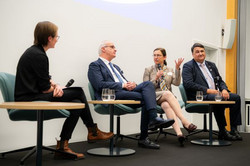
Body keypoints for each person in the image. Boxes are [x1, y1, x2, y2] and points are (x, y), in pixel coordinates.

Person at [15, 21, 114, 160]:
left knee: (75, 103)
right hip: (29, 99)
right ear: (49, 38)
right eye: (56, 37)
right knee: (78, 92)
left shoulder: (35, 52)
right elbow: (44, 88)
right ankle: (92, 130)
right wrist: (54, 89)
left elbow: (45, 79)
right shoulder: (39, 55)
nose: (57, 40)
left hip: (32, 94)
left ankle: (63, 146)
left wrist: (55, 86)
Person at [88, 40, 175, 149]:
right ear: (103, 49)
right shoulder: (95, 65)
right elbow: (99, 85)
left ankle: (152, 120)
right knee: (146, 99)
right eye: (112, 47)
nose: (115, 49)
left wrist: (131, 85)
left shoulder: (115, 67)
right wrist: (123, 85)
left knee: (147, 84)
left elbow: (123, 81)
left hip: (125, 91)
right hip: (112, 94)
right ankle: (146, 132)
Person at [182, 43, 242, 141]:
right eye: (197, 52)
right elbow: (188, 84)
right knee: (218, 98)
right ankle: (222, 130)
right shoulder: (188, 66)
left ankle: (234, 129)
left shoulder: (211, 65)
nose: (200, 53)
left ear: (205, 52)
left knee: (236, 98)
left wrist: (224, 89)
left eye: (202, 51)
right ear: (192, 54)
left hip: (216, 93)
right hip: (200, 96)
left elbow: (220, 80)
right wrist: (208, 90)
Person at [143, 48, 197, 146]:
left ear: (164, 57)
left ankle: (179, 134)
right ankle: (185, 121)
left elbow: (176, 83)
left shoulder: (170, 70)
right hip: (153, 96)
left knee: (166, 105)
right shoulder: (149, 70)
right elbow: (145, 87)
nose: (156, 57)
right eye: (154, 55)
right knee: (168, 93)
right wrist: (156, 78)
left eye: (158, 55)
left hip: (166, 98)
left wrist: (177, 69)